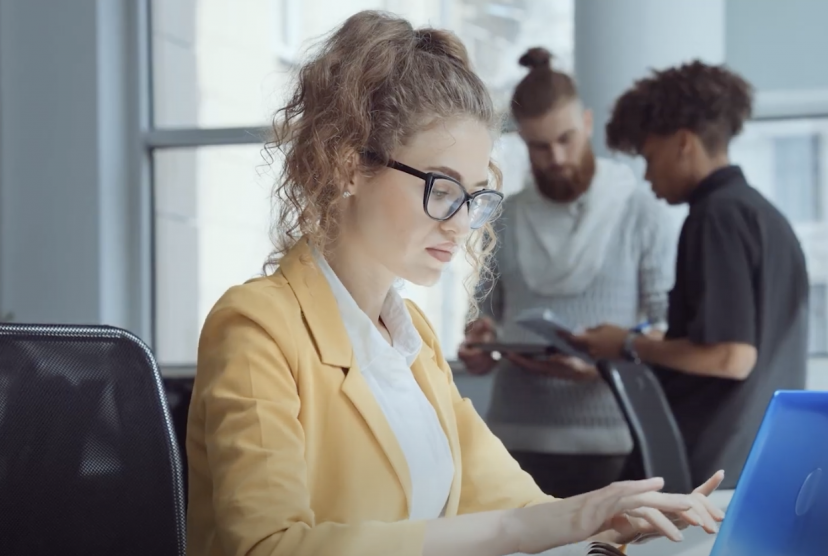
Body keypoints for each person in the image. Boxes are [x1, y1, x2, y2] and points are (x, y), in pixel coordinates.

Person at [184, 12, 724, 556]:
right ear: (348, 165)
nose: (462, 223)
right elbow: (265, 547)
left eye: (474, 195)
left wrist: (612, 520)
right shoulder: (257, 326)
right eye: (442, 187)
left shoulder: (411, 339)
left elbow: (519, 508)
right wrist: (550, 523)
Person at [570, 61, 809, 490]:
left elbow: (731, 356)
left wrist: (627, 344)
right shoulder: (767, 218)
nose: (647, 175)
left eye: (649, 156)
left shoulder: (714, 217)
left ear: (683, 143)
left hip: (702, 468)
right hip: (757, 462)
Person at [457, 47, 677, 498]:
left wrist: (603, 366)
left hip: (616, 441)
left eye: (567, 139)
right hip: (514, 443)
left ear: (588, 125)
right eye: (540, 145)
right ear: (522, 142)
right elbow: (481, 315)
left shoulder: (640, 212)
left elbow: (667, 327)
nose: (556, 157)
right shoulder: (505, 216)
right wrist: (480, 346)